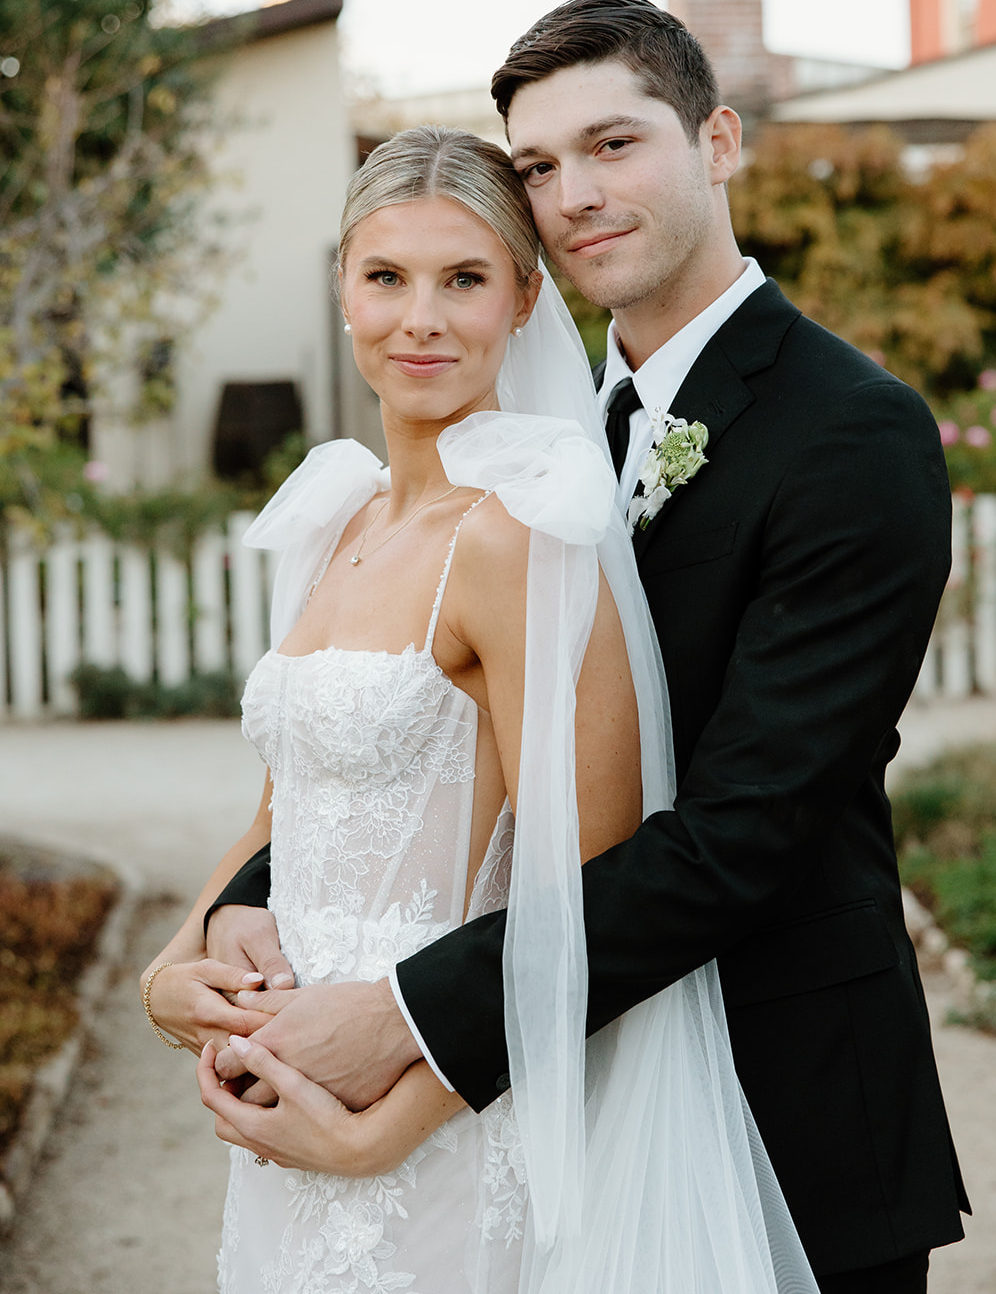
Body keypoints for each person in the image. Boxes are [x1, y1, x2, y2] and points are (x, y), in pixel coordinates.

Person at [205, 0, 969, 1293]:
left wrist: (406, 1023)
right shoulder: (530, 438)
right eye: (539, 166)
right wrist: (239, 909)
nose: (574, 195)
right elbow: (436, 737)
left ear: (716, 142)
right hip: (547, 1098)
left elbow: (743, 832)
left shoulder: (850, 432)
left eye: (613, 145)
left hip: (775, 1112)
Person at [142, 123, 818, 1293]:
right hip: (283, 1097)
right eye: (386, 277)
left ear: (523, 297)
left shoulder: (516, 542)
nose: (421, 319)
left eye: (463, 279)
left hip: (437, 1116)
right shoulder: (336, 518)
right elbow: (275, 816)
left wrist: (381, 1130)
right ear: (342, 290)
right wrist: (172, 968)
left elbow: (587, 905)